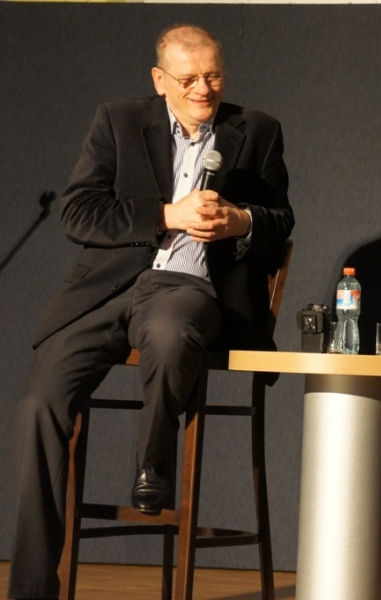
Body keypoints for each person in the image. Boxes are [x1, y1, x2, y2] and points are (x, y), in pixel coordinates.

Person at [8, 24, 294, 600]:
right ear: (159, 80)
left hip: (186, 286)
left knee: (170, 332)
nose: (202, 89)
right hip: (105, 291)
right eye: (188, 79)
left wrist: (239, 220)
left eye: (213, 75)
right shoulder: (118, 120)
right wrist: (168, 214)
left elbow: (280, 220)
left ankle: (153, 462)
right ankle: (32, 590)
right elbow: (79, 213)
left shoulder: (256, 130)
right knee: (38, 407)